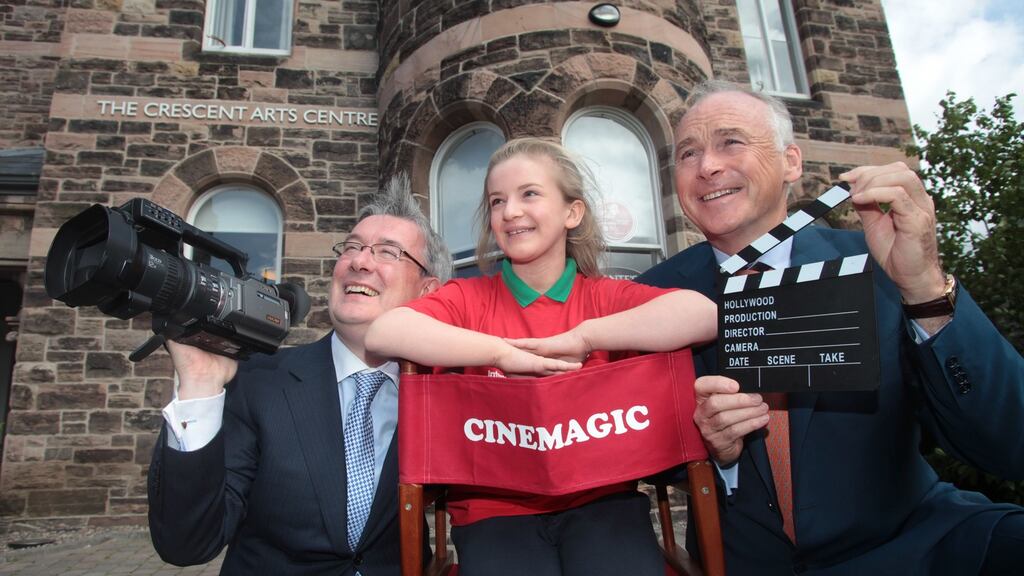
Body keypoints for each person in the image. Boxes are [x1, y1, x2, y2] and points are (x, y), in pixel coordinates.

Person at [637, 80, 1024, 575]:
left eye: (730, 141)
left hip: (914, 542)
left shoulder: (881, 261)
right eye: (688, 153)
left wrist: (924, 286)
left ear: (791, 163)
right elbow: (636, 448)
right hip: (752, 562)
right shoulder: (652, 298)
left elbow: (1009, 442)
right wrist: (715, 454)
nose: (707, 165)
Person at [366, 137, 717, 576]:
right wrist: (501, 352)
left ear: (572, 212)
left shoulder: (604, 296)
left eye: (529, 194)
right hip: (494, 511)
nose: (510, 211)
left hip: (604, 502)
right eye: (497, 201)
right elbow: (384, 332)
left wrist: (587, 336)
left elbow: (703, 314)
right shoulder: (468, 298)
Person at [147, 175, 453, 575]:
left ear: (428, 290)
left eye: (388, 252)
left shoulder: (441, 394)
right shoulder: (259, 381)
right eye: (352, 247)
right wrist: (200, 384)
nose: (359, 261)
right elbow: (187, 543)